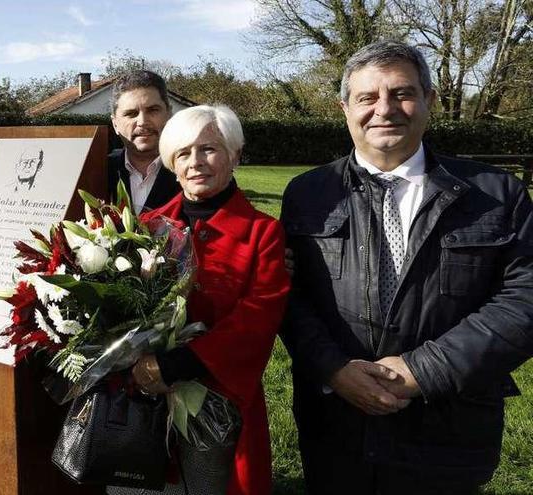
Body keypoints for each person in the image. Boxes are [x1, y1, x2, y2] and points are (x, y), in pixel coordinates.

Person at [280, 40, 533, 494]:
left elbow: (525, 301)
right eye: (367, 97)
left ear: (429, 101)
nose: (385, 109)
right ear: (344, 108)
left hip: (449, 428)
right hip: (337, 426)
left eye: (402, 93)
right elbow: (289, 296)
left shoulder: (497, 194)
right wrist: (335, 369)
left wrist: (425, 370)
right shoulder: (307, 194)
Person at [124, 105, 290, 494]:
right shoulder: (147, 227)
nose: (195, 162)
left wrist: (182, 362)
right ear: (171, 163)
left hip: (219, 394)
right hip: (146, 391)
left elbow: (259, 316)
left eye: (209, 149)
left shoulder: (263, 233)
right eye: (183, 153)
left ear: (235, 154)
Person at [108, 70, 181, 214]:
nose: (142, 122)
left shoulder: (192, 173)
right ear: (115, 124)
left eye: (153, 110)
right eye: (131, 114)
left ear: (169, 115)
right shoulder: (97, 174)